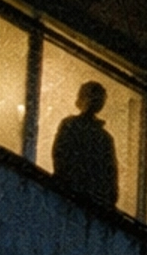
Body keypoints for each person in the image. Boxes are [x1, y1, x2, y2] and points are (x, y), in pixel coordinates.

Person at [50, 79, 119, 208]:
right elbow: (60, 155)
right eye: (90, 96)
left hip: (90, 200)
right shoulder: (71, 125)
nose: (92, 101)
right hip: (74, 195)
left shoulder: (104, 138)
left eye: (97, 98)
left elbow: (110, 173)